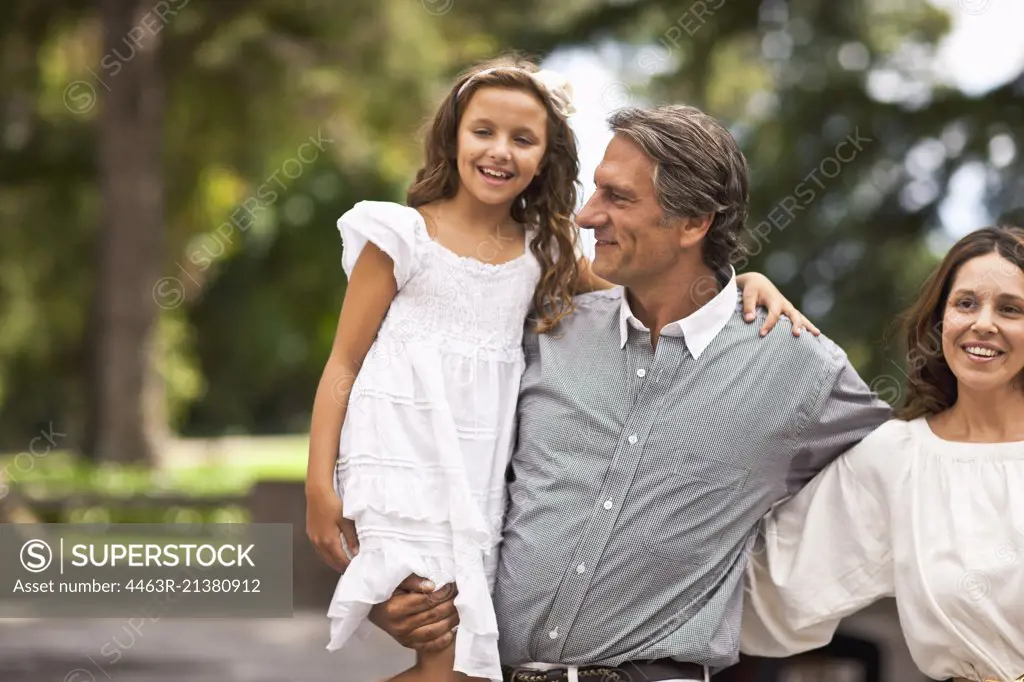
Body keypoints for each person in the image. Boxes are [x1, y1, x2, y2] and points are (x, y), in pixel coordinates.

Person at [304, 57, 808, 682]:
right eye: (482, 131)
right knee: (451, 661)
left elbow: (662, 289)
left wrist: (744, 284)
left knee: (464, 664)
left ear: (545, 158)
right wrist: (318, 486)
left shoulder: (546, 252)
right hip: (402, 460)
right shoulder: (402, 235)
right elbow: (342, 363)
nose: (500, 152)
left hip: (481, 479)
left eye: (523, 139)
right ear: (453, 137)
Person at [741, 225, 1024, 682]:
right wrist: (726, 307)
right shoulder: (898, 458)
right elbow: (772, 590)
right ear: (940, 320)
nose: (983, 323)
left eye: (1010, 308)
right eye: (966, 303)